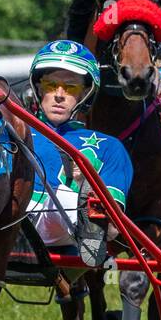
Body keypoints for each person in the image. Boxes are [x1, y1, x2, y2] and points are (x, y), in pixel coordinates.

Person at [25, 40, 133, 267]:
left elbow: (115, 226)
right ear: (38, 88)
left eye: (70, 87)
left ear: (85, 93)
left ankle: (90, 221)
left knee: (67, 198)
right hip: (9, 209)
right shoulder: (15, 130)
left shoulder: (108, 146)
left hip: (60, 222)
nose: (59, 95)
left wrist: (87, 183)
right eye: (51, 85)